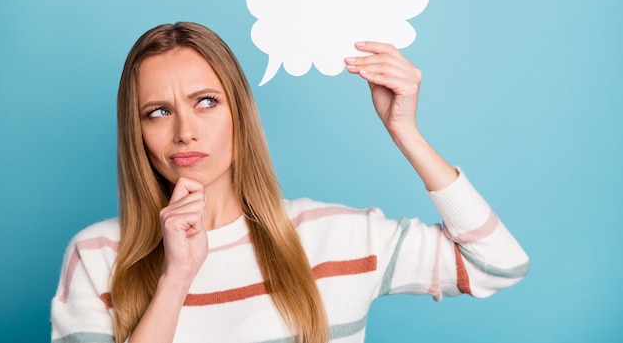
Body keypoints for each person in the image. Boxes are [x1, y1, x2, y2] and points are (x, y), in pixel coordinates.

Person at [51, 22, 530, 343]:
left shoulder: (336, 236)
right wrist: (175, 278)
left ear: (240, 111)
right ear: (137, 132)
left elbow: (499, 266)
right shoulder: (96, 256)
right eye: (158, 112)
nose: (185, 131)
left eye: (206, 102)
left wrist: (404, 130)